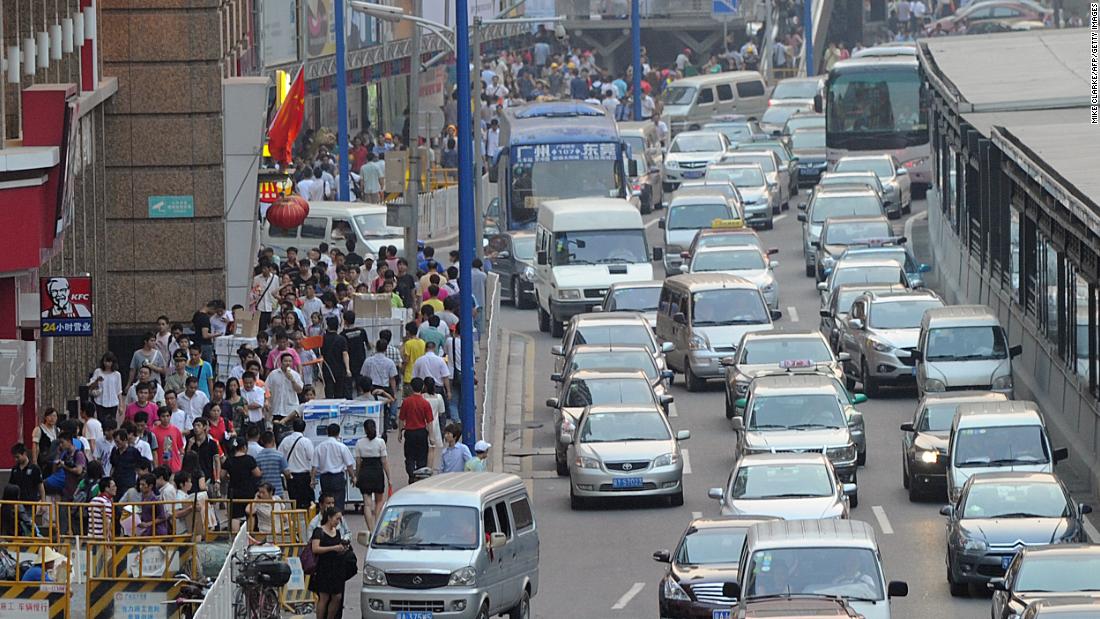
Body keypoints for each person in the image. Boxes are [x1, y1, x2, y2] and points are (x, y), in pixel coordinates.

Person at [309, 507, 352, 619]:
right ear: (329, 517)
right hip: (324, 568)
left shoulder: (337, 532)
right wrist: (333, 548)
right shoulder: (319, 531)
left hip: (336, 568)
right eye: (336, 519)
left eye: (339, 520)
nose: (338, 522)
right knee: (324, 597)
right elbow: (315, 549)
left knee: (337, 597)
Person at [354, 419, 390, 532]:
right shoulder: (380, 442)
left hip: (365, 472)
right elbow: (384, 461)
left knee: (367, 504)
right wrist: (389, 477)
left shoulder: (359, 443)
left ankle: (370, 529)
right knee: (379, 501)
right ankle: (377, 528)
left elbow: (358, 462)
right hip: (377, 472)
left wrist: (356, 475)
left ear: (364, 429)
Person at [312, 423, 355, 511]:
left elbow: (314, 466)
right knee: (338, 502)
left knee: (327, 502)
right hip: (338, 477)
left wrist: (312, 479)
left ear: (327, 432)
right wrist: (353, 477)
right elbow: (349, 465)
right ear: (338, 433)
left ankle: (327, 520)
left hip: (324, 478)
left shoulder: (319, 447)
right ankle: (338, 521)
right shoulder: (342, 447)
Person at [398, 378, 433, 482]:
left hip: (409, 433)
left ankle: (411, 474)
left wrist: (400, 432)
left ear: (411, 387)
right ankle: (420, 476)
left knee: (409, 456)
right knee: (422, 456)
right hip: (422, 432)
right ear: (422, 387)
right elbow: (429, 422)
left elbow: (401, 419)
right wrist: (431, 436)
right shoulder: (425, 403)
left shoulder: (406, 402)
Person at [224, 437, 261, 531]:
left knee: (235, 516)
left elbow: (221, 475)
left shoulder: (229, 460)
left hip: (233, 492)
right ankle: (249, 535)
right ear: (244, 447)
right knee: (250, 513)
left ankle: (235, 537)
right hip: (248, 491)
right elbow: (257, 474)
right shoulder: (249, 459)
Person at [89, 352, 124, 430]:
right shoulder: (98, 371)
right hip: (100, 401)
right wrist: (97, 380)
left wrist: (121, 405)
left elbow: (119, 390)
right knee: (101, 422)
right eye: (106, 361)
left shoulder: (117, 374)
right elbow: (91, 386)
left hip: (113, 402)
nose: (107, 364)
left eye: (109, 361)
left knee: (112, 423)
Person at [321, 317, 352, 399]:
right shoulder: (341, 339)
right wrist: (348, 369)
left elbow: (321, 355)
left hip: (327, 369)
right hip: (340, 369)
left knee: (329, 392)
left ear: (328, 326)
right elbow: (345, 354)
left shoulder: (323, 339)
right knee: (339, 393)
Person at [254, 431, 289, 499]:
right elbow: (287, 473)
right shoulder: (280, 455)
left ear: (262, 441)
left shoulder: (258, 457)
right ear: (273, 440)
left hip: (263, 492)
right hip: (278, 491)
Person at [151, 406, 184, 473]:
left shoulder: (176, 430)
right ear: (159, 417)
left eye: (167, 416)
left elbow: (181, 449)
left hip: (175, 467)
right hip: (160, 467)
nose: (165, 418)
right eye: (163, 416)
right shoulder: (153, 432)